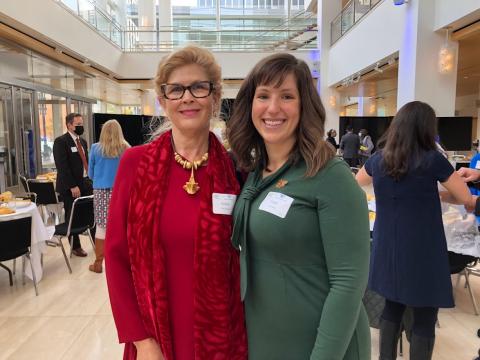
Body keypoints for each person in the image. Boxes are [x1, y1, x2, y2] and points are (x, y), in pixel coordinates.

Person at [105, 46, 247, 360]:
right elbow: (116, 258)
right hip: (153, 339)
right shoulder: (135, 164)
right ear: (163, 100)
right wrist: (141, 341)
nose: (187, 98)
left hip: (222, 338)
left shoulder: (236, 171)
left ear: (214, 97)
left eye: (199, 87)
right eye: (176, 89)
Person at [227, 53, 371, 359]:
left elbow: (348, 283)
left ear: (305, 105)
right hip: (267, 338)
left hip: (323, 345)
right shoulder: (255, 171)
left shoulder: (329, 176)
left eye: (287, 96)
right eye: (263, 95)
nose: (273, 108)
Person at [356, 101, 474, 360]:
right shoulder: (433, 160)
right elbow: (465, 197)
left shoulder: (379, 159)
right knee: (424, 314)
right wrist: (434, 194)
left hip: (387, 245)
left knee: (392, 307)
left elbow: (357, 183)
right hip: (423, 249)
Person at [87, 119, 129, 273]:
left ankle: (98, 263)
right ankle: (121, 262)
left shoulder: (95, 148)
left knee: (101, 226)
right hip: (120, 191)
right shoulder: (126, 149)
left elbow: (90, 174)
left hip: (100, 191)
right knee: (121, 224)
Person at [53, 113, 93, 257]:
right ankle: (75, 246)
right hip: (70, 187)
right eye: (78, 124)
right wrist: (72, 186)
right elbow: (62, 167)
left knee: (90, 212)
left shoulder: (82, 142)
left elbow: (85, 162)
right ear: (69, 125)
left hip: (85, 183)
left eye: (82, 124)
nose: (81, 127)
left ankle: (97, 242)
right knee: (72, 215)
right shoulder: (61, 142)